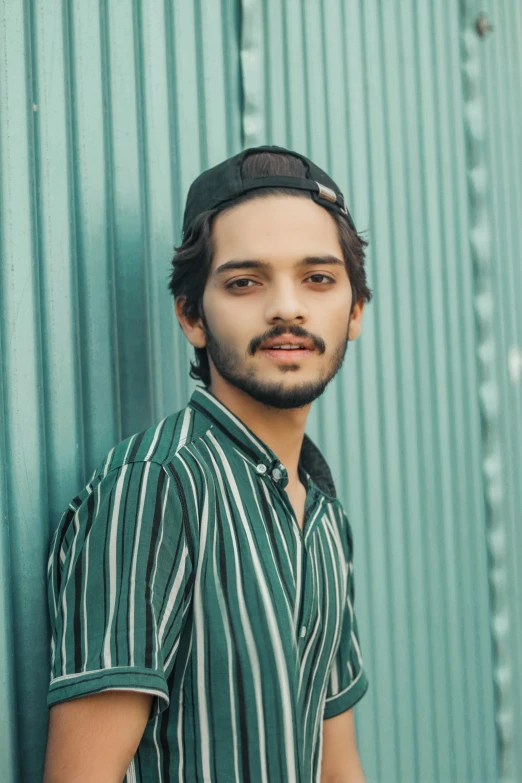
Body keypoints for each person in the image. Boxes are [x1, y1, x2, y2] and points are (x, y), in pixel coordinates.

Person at [43, 145, 373, 782]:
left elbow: (338, 767)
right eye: (245, 282)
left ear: (355, 311)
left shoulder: (324, 516)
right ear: (191, 314)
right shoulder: (155, 489)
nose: (288, 308)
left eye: (319, 279)